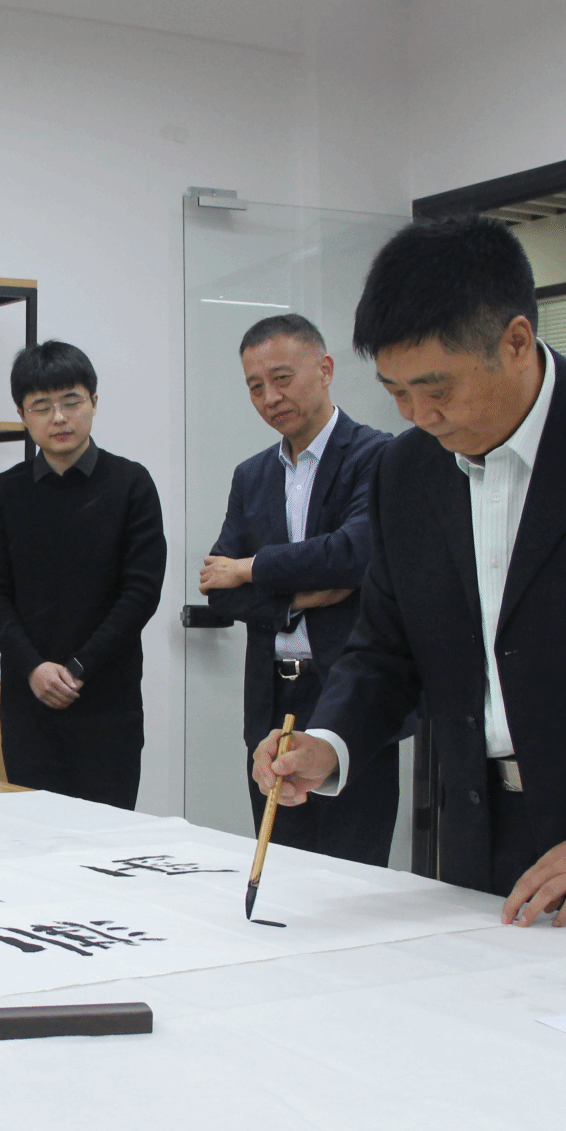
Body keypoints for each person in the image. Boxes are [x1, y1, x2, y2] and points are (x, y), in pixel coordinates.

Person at [255, 216, 566, 948]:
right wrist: (329, 742)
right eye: (396, 392)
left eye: (436, 388)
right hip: (485, 840)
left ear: (516, 341)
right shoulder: (405, 471)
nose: (420, 415)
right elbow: (387, 650)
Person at [201, 314, 396, 865]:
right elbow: (219, 588)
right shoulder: (252, 475)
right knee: (280, 862)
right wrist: (299, 598)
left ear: (326, 369)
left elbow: (353, 554)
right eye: (255, 386)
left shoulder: (376, 455)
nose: (270, 398)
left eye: (282, 378)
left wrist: (251, 568)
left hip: (350, 690)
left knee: (351, 871)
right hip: (273, 695)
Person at [0, 341, 166, 809]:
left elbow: (141, 592)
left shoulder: (132, 484)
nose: (58, 418)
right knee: (34, 832)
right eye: (42, 407)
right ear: (22, 415)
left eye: (71, 402)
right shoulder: (5, 491)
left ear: (94, 403)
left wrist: (80, 668)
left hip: (108, 702)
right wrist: (34, 668)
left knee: (106, 836)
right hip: (29, 701)